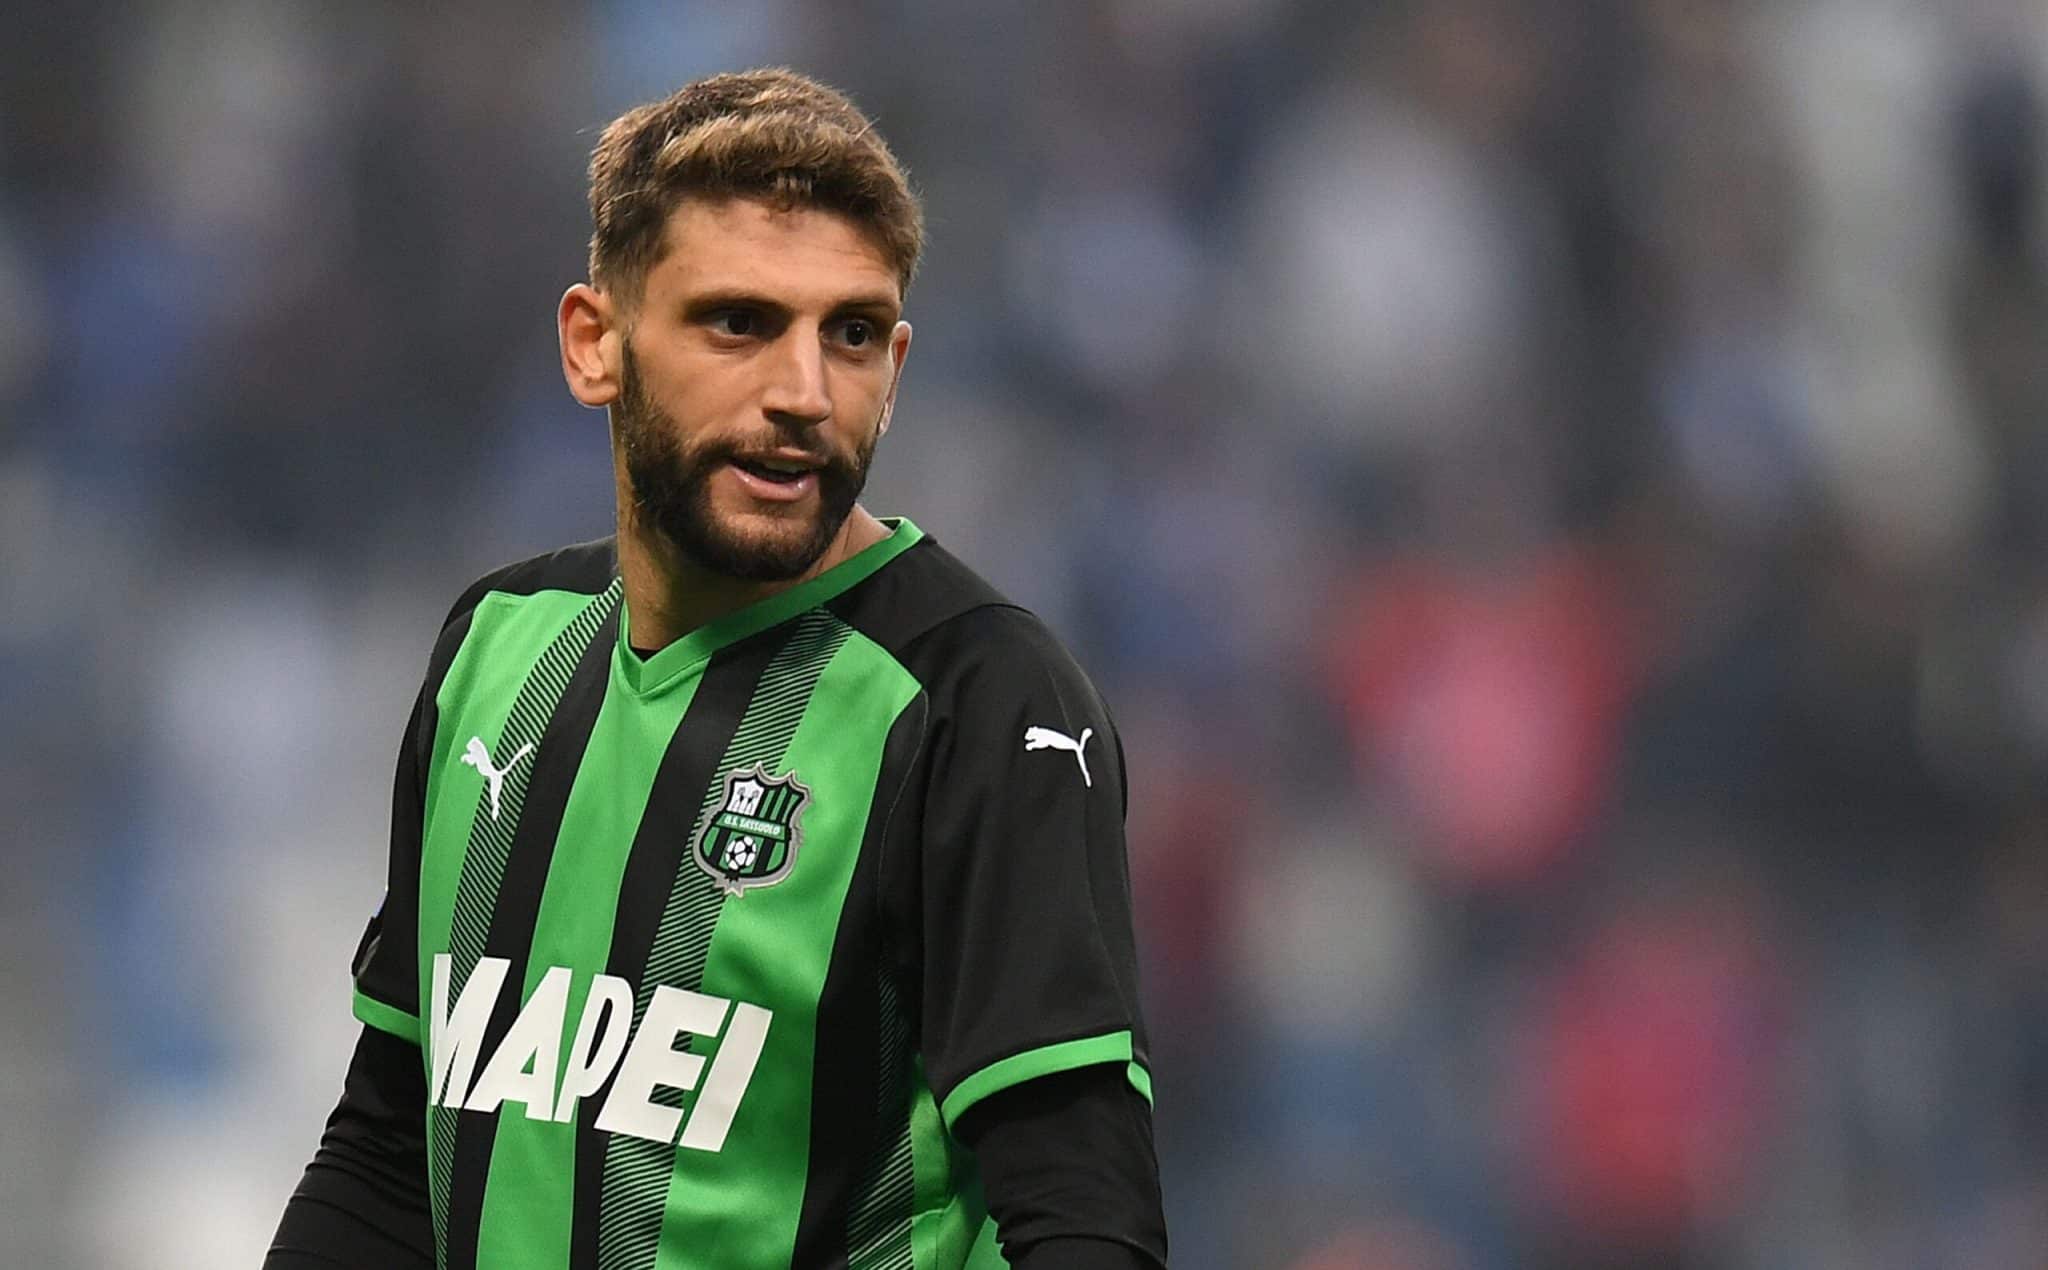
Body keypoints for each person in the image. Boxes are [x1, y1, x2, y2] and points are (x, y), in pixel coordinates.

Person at [265, 68, 1166, 1270]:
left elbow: (1085, 1221)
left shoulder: (978, 702)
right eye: (738, 322)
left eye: (850, 334)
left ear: (894, 368)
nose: (803, 393)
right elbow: (388, 1146)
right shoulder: (495, 648)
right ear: (596, 344)